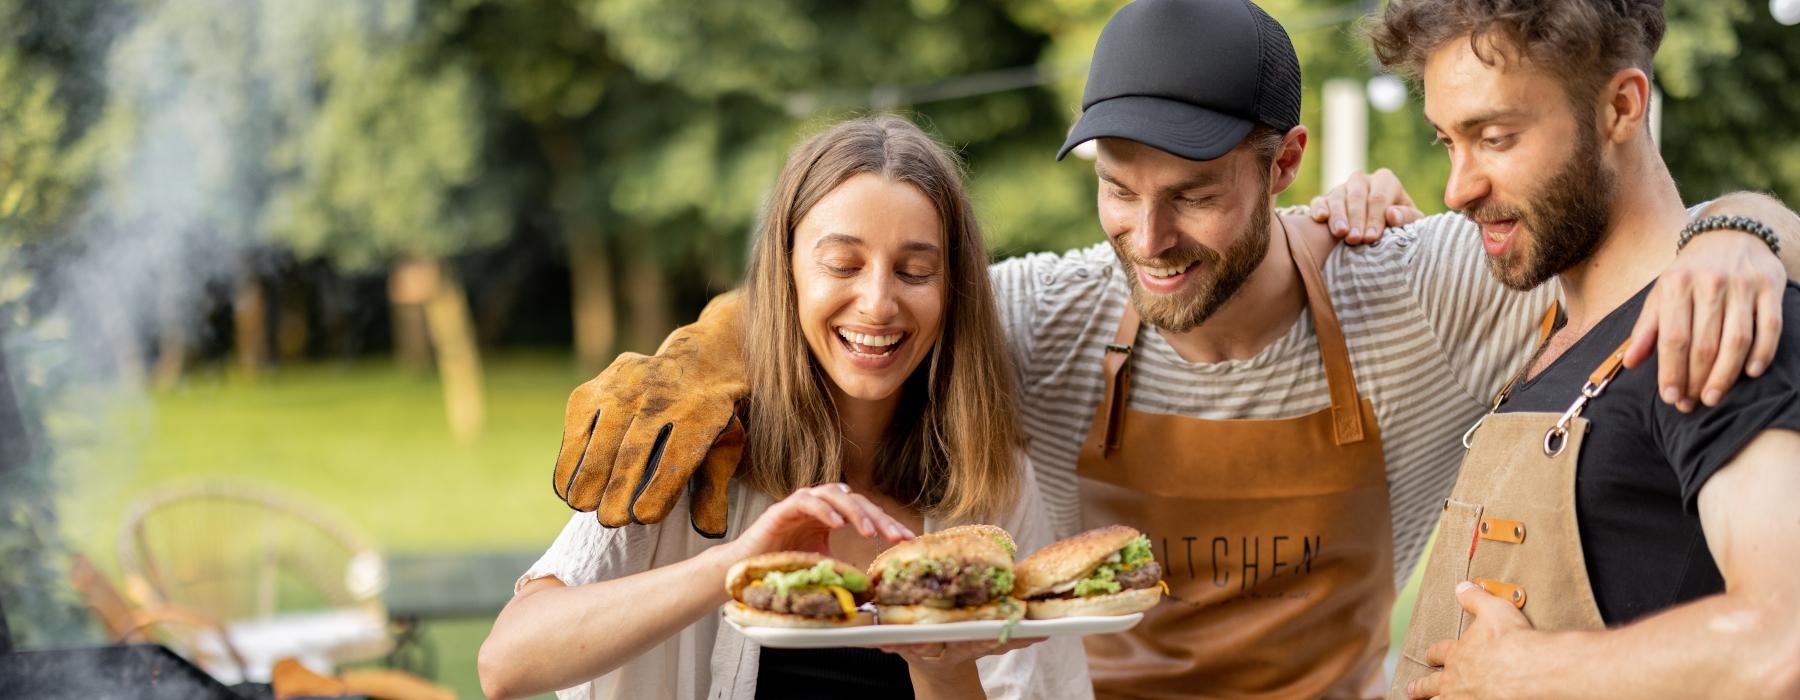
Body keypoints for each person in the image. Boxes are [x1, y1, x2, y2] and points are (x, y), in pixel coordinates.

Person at [550, 1, 1800, 696]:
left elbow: (1623, 248)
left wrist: (1747, 229)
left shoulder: (1424, 290)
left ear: (1285, 164)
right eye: (1118, 185)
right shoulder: (1051, 312)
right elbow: (880, 284)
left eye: (1196, 193)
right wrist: (719, 343)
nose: (1148, 237)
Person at [478, 116, 1091, 700]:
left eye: (915, 270)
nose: (878, 303)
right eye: (842, 265)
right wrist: (736, 564)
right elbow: (507, 663)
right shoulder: (700, 445)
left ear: (951, 288)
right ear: (787, 273)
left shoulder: (990, 481)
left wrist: (940, 667)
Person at [1366, 1, 1800, 698]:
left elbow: (1785, 641)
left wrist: (1528, 670)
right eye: (1448, 141)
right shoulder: (1543, 332)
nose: (1458, 188)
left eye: (1496, 137)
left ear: (1622, 108)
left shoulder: (1715, 323)